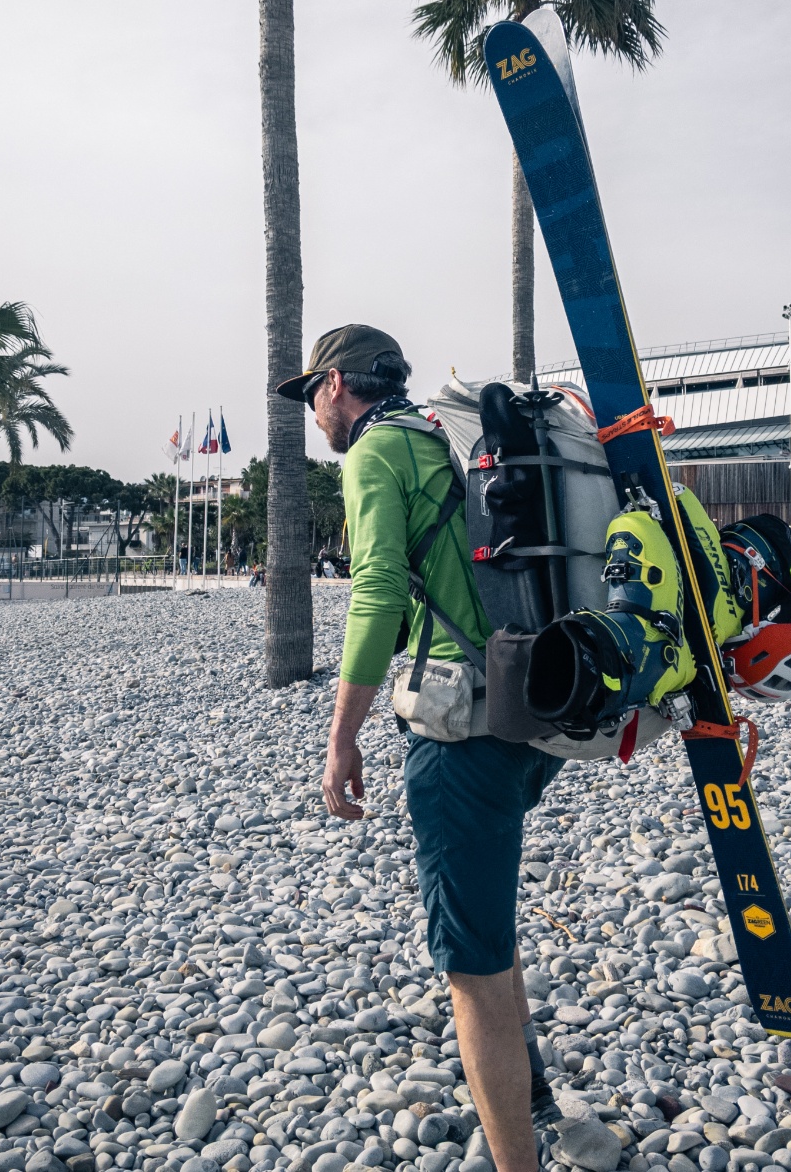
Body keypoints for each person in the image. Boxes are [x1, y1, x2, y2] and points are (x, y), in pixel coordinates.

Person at [279, 324, 562, 1172]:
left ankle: (519, 1162)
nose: (313, 419)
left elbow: (374, 596)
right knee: (488, 915)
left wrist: (342, 736)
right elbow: (426, 584)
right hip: (532, 711)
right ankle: (538, 1099)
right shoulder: (445, 436)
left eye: (311, 400)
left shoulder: (373, 455)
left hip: (461, 731)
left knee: (470, 967)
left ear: (334, 386)